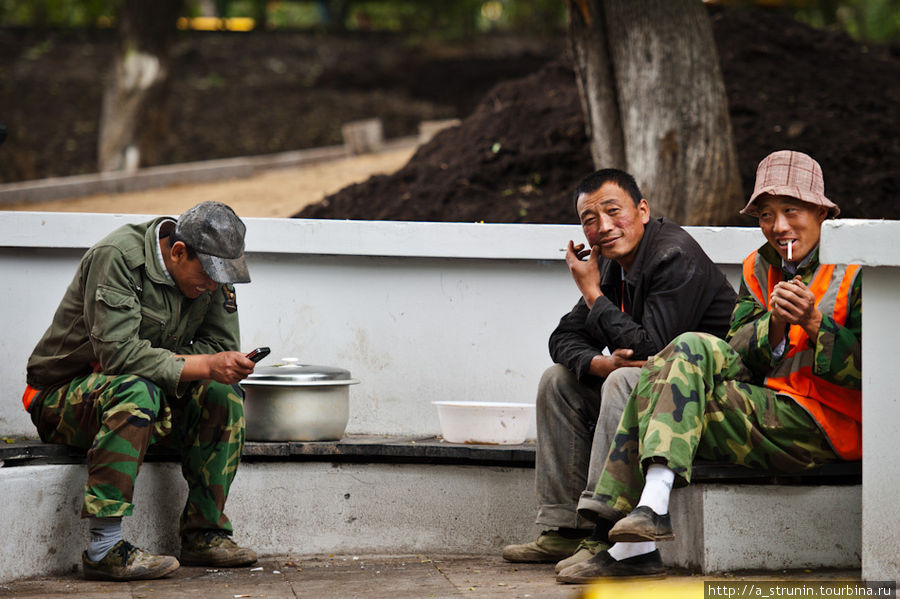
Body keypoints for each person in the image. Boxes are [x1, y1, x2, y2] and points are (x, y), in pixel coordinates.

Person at [557, 150, 861, 582]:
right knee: (679, 356)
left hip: (828, 425)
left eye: (791, 211)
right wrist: (772, 325)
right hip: (766, 407)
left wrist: (815, 324)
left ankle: (628, 539)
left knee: (654, 369)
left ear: (822, 211)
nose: (779, 227)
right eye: (766, 215)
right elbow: (739, 352)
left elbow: (879, 370)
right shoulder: (759, 266)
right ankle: (641, 526)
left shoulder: (861, 270)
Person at [501, 169, 737, 571]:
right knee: (558, 381)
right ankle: (564, 528)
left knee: (624, 379)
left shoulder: (673, 255)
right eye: (589, 220)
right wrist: (601, 361)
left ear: (642, 210)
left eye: (614, 212)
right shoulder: (611, 265)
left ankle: (605, 530)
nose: (604, 227)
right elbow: (563, 337)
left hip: (702, 405)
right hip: (654, 399)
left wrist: (591, 293)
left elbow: (654, 351)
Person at [22, 201, 260, 581]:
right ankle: (104, 548)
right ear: (179, 252)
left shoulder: (213, 272)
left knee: (222, 393)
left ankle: (205, 533)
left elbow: (217, 345)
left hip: (147, 394)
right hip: (63, 397)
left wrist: (205, 366)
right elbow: (118, 355)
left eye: (222, 275)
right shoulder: (117, 257)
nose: (214, 285)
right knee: (137, 389)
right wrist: (197, 364)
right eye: (208, 274)